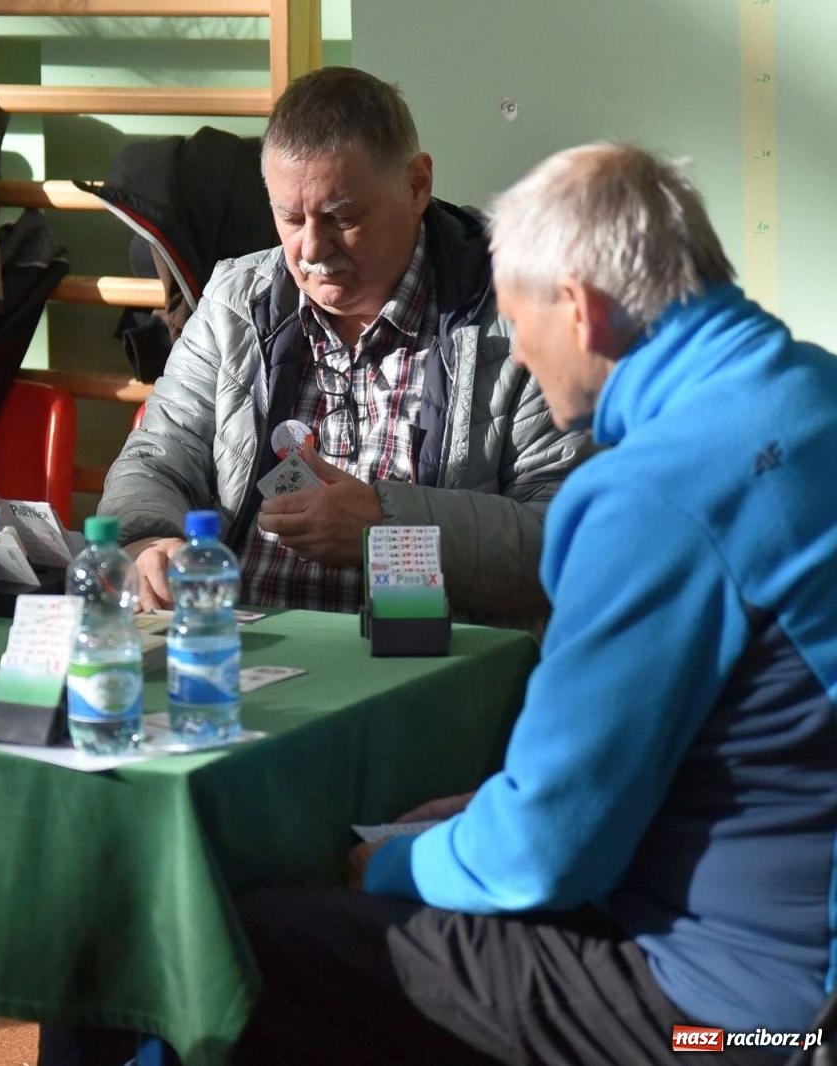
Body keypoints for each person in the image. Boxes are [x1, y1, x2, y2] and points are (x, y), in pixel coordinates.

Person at [232, 144, 837, 1065]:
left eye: (518, 320)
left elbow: (545, 860)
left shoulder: (653, 494)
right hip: (798, 946)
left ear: (581, 309)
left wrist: (396, 863)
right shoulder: (811, 394)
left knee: (254, 945)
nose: (515, 349)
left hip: (739, 1015)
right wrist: (501, 805)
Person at [97, 67, 588, 625]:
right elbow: (157, 458)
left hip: (427, 671)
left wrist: (385, 524)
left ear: (416, 185)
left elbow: (569, 538)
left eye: (343, 217)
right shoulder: (236, 299)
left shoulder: (519, 317)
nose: (310, 247)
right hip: (234, 650)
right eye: (288, 217)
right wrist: (150, 542)